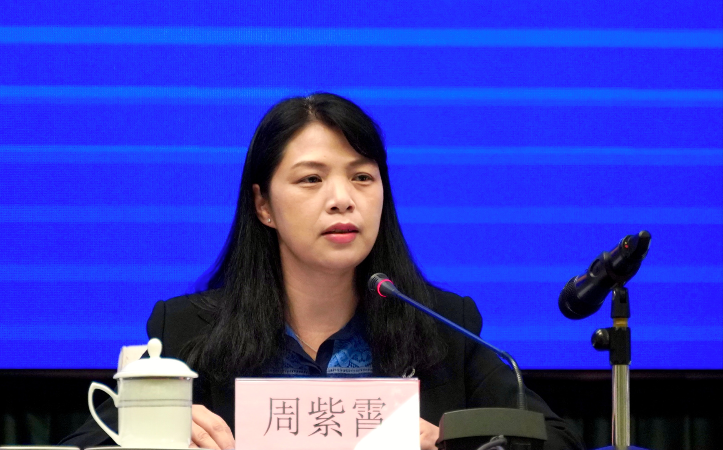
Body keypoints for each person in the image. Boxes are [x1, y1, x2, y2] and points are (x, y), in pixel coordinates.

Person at [61, 93, 584, 449]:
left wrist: (455, 444)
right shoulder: (187, 329)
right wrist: (153, 432)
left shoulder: (444, 325)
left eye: (362, 177)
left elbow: (554, 438)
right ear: (263, 205)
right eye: (311, 179)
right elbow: (82, 444)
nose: (342, 199)